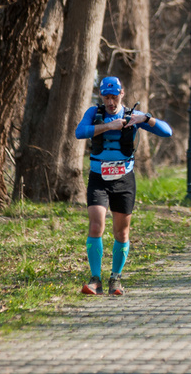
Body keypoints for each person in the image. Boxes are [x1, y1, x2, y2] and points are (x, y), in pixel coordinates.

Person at [74, 76, 172, 296]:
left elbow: (167, 132)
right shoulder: (94, 113)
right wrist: (108, 126)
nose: (110, 102)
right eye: (106, 97)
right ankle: (95, 279)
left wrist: (146, 119)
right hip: (99, 178)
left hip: (123, 179)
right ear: (101, 96)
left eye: (114, 97)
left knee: (122, 231)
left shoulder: (132, 115)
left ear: (122, 93)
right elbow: (79, 132)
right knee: (96, 225)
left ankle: (115, 279)